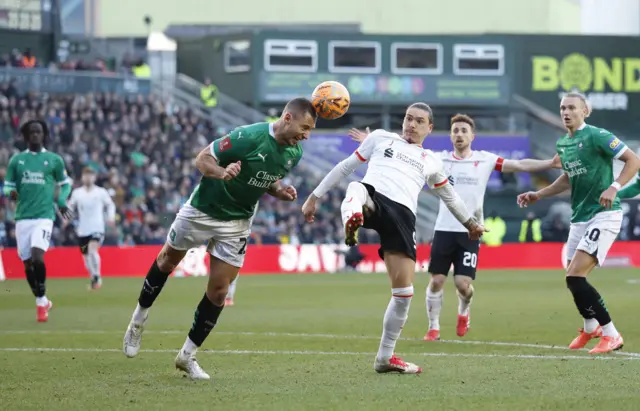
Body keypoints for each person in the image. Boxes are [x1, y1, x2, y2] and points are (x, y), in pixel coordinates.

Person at [122, 98, 317, 380]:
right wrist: (221, 172)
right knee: (166, 261)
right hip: (203, 210)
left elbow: (266, 179)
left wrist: (280, 190)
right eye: (305, 127)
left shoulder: (293, 153)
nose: (306, 135)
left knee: (219, 291)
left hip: (237, 222)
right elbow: (202, 159)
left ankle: (186, 357)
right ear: (288, 118)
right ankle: (138, 320)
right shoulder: (248, 136)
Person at [301, 103, 486, 374]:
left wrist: (470, 224)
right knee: (356, 187)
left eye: (419, 121)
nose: (411, 124)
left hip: (402, 217)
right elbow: (345, 166)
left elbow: (449, 196)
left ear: (430, 128)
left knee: (404, 293)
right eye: (408, 119)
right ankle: (352, 217)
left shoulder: (431, 160)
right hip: (374, 198)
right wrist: (314, 196)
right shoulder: (380, 138)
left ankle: (384, 358)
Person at [517, 92, 640, 354]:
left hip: (604, 214)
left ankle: (611, 333)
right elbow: (567, 178)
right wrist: (538, 194)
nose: (566, 112)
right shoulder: (564, 143)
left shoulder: (598, 135)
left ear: (585, 111)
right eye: (562, 108)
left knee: (576, 275)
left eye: (572, 107)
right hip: (580, 218)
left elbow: (633, 160)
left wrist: (615, 187)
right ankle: (589, 326)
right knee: (572, 278)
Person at [3, 120, 71, 322]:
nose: (35, 135)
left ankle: (40, 303)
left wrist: (61, 200)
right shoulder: (17, 160)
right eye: (31, 132)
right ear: (25, 136)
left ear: (44, 135)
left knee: (37, 257)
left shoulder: (54, 160)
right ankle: (42, 300)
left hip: (44, 217)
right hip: (23, 218)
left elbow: (65, 184)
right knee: (27, 265)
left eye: (38, 132)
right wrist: (11, 193)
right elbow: (6, 186)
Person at [67, 167, 116, 290]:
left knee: (92, 250)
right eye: (85, 175)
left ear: (94, 177)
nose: (88, 177)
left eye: (90, 175)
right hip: (82, 229)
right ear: (82, 177)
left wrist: (110, 217)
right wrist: (65, 216)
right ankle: (94, 276)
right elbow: (70, 208)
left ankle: (97, 276)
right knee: (85, 256)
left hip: (97, 228)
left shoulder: (101, 192)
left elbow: (110, 205)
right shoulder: (77, 193)